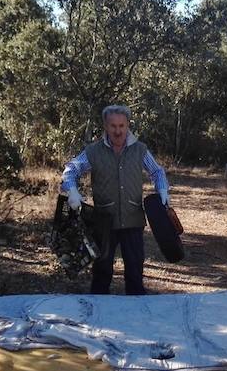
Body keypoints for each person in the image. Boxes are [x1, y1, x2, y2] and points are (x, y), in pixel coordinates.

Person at [61, 104, 169, 295]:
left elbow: (156, 171)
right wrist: (72, 192)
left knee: (135, 272)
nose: (118, 131)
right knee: (101, 272)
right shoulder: (93, 151)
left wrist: (162, 190)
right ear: (105, 126)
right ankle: (96, 316)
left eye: (122, 126)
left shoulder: (139, 149)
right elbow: (71, 170)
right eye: (113, 126)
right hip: (104, 221)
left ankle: (136, 315)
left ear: (128, 125)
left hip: (133, 219)